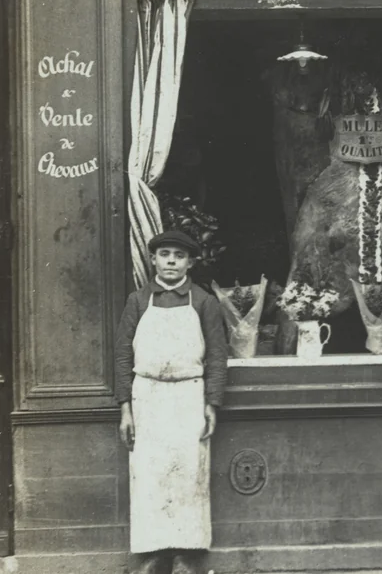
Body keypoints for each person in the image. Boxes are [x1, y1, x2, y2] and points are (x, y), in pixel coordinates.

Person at [114, 230, 229, 574]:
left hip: (187, 395)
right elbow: (122, 354)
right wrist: (125, 409)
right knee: (148, 473)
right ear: (153, 260)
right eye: (165, 254)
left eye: (179, 256)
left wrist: (212, 403)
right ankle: (153, 554)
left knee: (188, 472)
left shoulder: (203, 301)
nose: (171, 262)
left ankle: (185, 554)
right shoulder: (138, 301)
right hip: (147, 396)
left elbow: (218, 355)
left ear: (190, 263)